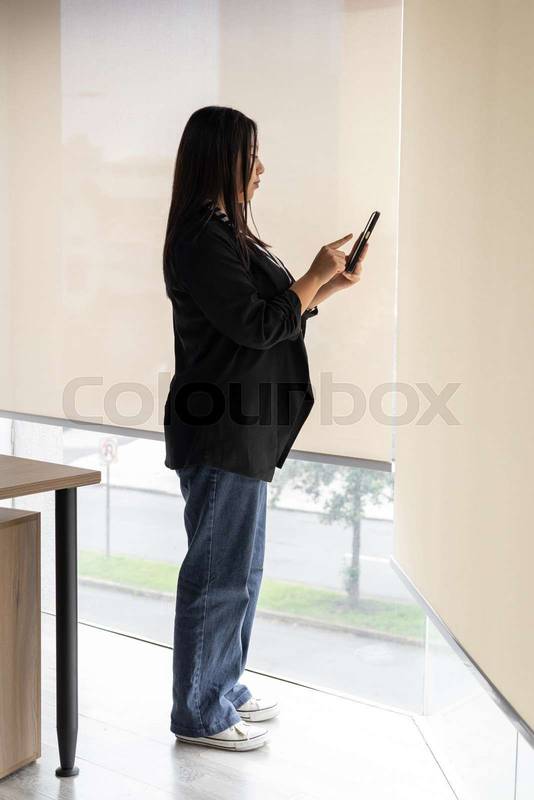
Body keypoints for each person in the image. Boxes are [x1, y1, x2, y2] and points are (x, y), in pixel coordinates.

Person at [162, 105, 367, 751]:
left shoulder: (228, 233)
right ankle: (200, 711)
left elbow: (272, 318)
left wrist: (326, 285)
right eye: (250, 155)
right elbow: (254, 327)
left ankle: (221, 684)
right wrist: (310, 272)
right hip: (221, 427)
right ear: (220, 158)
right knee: (219, 575)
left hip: (241, 428)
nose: (260, 168)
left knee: (238, 572)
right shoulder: (202, 237)